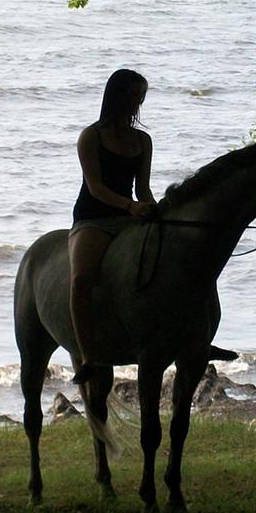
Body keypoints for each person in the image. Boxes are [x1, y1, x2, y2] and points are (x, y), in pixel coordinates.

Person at [69, 69, 158, 384]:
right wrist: (131, 206)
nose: (138, 102)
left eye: (141, 96)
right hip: (93, 218)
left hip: (129, 217)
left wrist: (153, 208)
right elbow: (95, 187)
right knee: (81, 279)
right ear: (118, 96)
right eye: (134, 95)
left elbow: (143, 188)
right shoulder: (90, 136)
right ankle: (89, 357)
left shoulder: (142, 141)